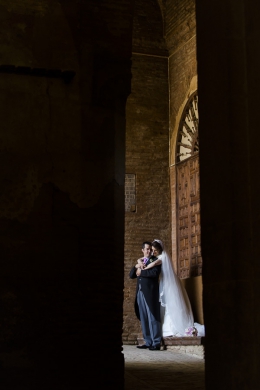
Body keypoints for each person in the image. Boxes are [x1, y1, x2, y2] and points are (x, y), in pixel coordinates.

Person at [137, 239, 194, 337]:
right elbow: (141, 259)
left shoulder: (162, 257)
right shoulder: (157, 257)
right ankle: (165, 327)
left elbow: (154, 264)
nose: (153, 252)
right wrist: (139, 262)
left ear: (159, 249)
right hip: (163, 282)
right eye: (152, 250)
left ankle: (173, 327)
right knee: (165, 303)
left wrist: (143, 269)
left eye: (154, 250)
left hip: (168, 282)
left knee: (170, 301)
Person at [129, 241, 162, 350]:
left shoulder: (155, 260)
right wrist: (136, 266)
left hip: (151, 292)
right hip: (140, 292)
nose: (149, 251)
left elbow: (154, 273)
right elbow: (131, 275)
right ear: (142, 250)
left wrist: (141, 272)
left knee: (153, 317)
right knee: (144, 317)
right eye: (147, 249)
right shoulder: (141, 261)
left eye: (150, 249)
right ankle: (148, 342)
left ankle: (156, 342)